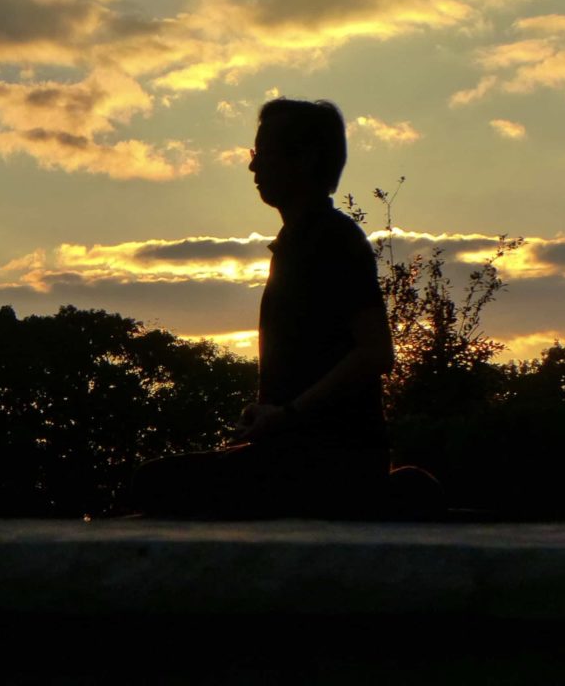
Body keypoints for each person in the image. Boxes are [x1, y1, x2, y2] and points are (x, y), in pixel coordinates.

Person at [130, 98, 394, 518]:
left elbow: (376, 352)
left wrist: (287, 414)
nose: (253, 168)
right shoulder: (298, 243)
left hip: (327, 465)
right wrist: (268, 414)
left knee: (153, 486)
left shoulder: (333, 240)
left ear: (304, 159)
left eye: (263, 153)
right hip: (298, 456)